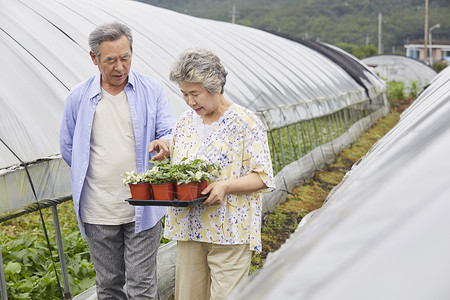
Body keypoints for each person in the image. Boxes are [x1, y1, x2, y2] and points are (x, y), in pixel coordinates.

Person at [59, 22, 176, 299]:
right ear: (94, 58)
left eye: (125, 57)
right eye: (110, 60)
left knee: (142, 287)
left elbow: (169, 131)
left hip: (145, 205)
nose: (119, 67)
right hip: (98, 209)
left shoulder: (152, 90)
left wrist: (165, 143)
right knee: (109, 286)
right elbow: (68, 148)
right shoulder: (79, 97)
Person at [164, 48, 276, 300]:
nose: (191, 102)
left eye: (195, 94)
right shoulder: (184, 121)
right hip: (189, 227)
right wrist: (167, 150)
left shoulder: (245, 122)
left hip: (230, 230)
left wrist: (225, 186)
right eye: (184, 94)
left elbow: (263, 177)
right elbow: (185, 163)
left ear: (215, 87)